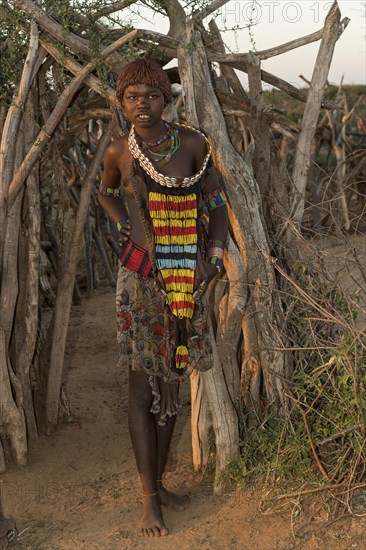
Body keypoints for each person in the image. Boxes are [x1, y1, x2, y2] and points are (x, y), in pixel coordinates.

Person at [98, 58, 228, 537]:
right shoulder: (118, 152)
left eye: (151, 96)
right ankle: (150, 500)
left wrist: (213, 256)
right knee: (140, 390)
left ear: (167, 99)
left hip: (186, 278)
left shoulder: (193, 145)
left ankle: (159, 483)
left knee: (173, 379)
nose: (142, 105)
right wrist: (124, 225)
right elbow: (105, 194)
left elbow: (214, 203)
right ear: (121, 101)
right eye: (132, 97)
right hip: (141, 279)